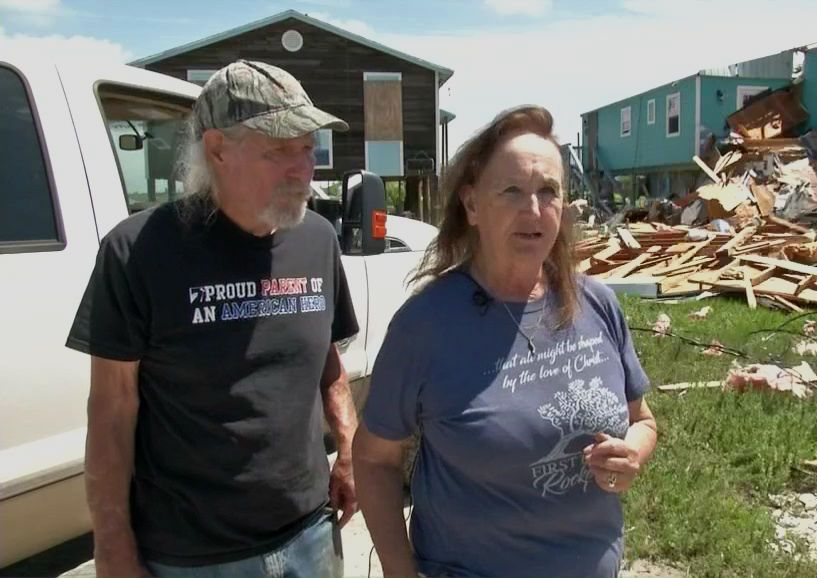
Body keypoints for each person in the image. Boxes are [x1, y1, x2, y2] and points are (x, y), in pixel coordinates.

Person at [66, 60, 359, 578]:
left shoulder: (317, 239)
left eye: (307, 148)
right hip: (194, 557)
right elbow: (111, 411)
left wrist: (350, 449)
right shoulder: (137, 253)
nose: (302, 168)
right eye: (278, 150)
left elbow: (327, 363)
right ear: (218, 149)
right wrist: (112, 544)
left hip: (310, 535)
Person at [354, 106, 658, 577]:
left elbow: (642, 420)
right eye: (512, 190)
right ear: (472, 204)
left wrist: (633, 452)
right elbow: (374, 460)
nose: (533, 210)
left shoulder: (595, 304)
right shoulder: (425, 325)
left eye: (548, 191)